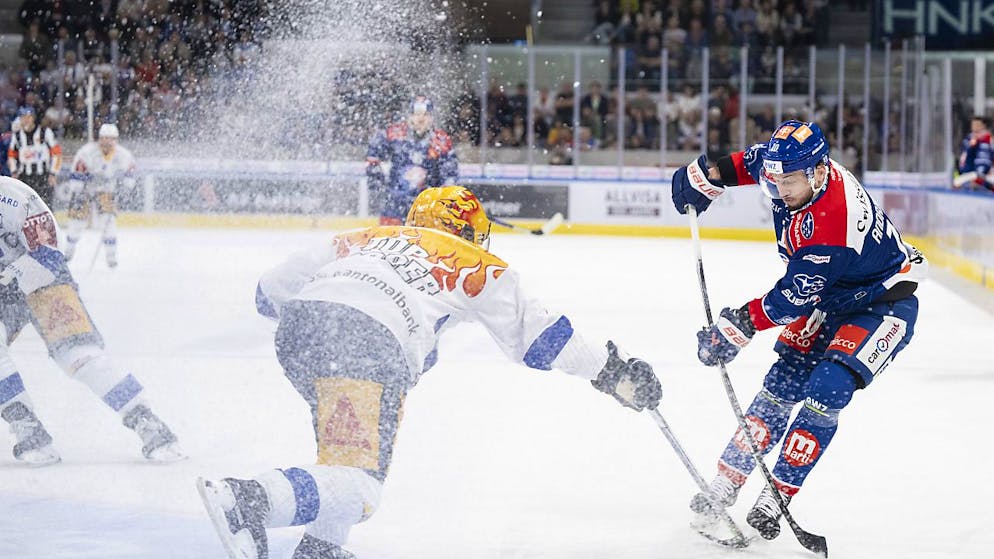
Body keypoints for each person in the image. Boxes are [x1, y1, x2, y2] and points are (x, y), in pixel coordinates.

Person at [197, 185, 662, 559]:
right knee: (361, 486)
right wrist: (615, 373)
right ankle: (248, 499)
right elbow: (542, 341)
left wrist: (335, 312)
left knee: (344, 455)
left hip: (300, 330)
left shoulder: (365, 236)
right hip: (368, 340)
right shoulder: (475, 262)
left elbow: (267, 293)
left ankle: (321, 548)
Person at [670, 120, 927, 540]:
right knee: (781, 385)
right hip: (829, 299)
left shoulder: (834, 224)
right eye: (775, 179)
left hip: (881, 305)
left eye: (789, 181)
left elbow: (794, 296)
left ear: (819, 171)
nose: (780, 189)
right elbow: (750, 163)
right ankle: (728, 480)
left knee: (827, 387)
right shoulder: (792, 166)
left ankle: (778, 492)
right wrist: (708, 176)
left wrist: (739, 326)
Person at [0, 175, 184, 465]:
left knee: (78, 356)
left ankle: (145, 420)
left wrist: (11, 278)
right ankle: (27, 426)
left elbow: (48, 256)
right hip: (3, 289)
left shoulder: (13, 197)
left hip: (44, 280)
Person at [365, 96, 459, 225]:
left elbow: (450, 173)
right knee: (389, 240)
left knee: (424, 241)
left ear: (431, 117)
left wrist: (444, 196)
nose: (420, 118)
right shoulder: (395, 134)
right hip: (395, 204)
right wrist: (375, 173)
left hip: (426, 205)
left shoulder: (441, 141)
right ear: (410, 116)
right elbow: (374, 152)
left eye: (425, 115)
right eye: (416, 114)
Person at [63, 123, 136, 267]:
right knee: (77, 223)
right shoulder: (86, 152)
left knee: (108, 223)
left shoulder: (123, 155)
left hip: (107, 190)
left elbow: (131, 173)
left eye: (111, 139)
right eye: (105, 139)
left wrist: (125, 187)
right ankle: (68, 252)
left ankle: (111, 256)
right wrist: (81, 187)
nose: (107, 143)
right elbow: (76, 173)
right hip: (84, 190)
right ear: (100, 139)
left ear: (116, 140)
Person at [7, 106, 62, 207]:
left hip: (43, 176)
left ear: (33, 118)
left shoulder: (45, 132)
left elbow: (57, 154)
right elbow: (11, 155)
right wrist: (14, 172)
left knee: (46, 207)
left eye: (28, 117)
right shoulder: (17, 136)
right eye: (23, 117)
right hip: (25, 177)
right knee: (26, 208)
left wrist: (53, 173)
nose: (26, 120)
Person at [955, 115, 992, 191]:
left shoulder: (985, 141)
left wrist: (977, 179)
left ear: (983, 126)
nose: (975, 127)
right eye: (973, 125)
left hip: (978, 181)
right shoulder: (969, 139)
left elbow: (983, 161)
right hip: (965, 177)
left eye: (977, 125)